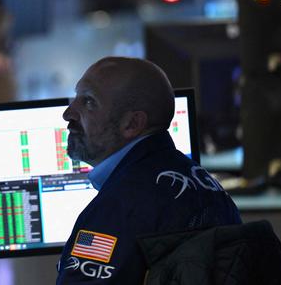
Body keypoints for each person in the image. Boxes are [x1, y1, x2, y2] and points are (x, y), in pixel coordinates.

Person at [56, 57, 242, 284]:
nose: (68, 113)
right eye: (76, 97)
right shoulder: (208, 186)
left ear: (132, 124)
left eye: (88, 102)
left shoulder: (120, 207)